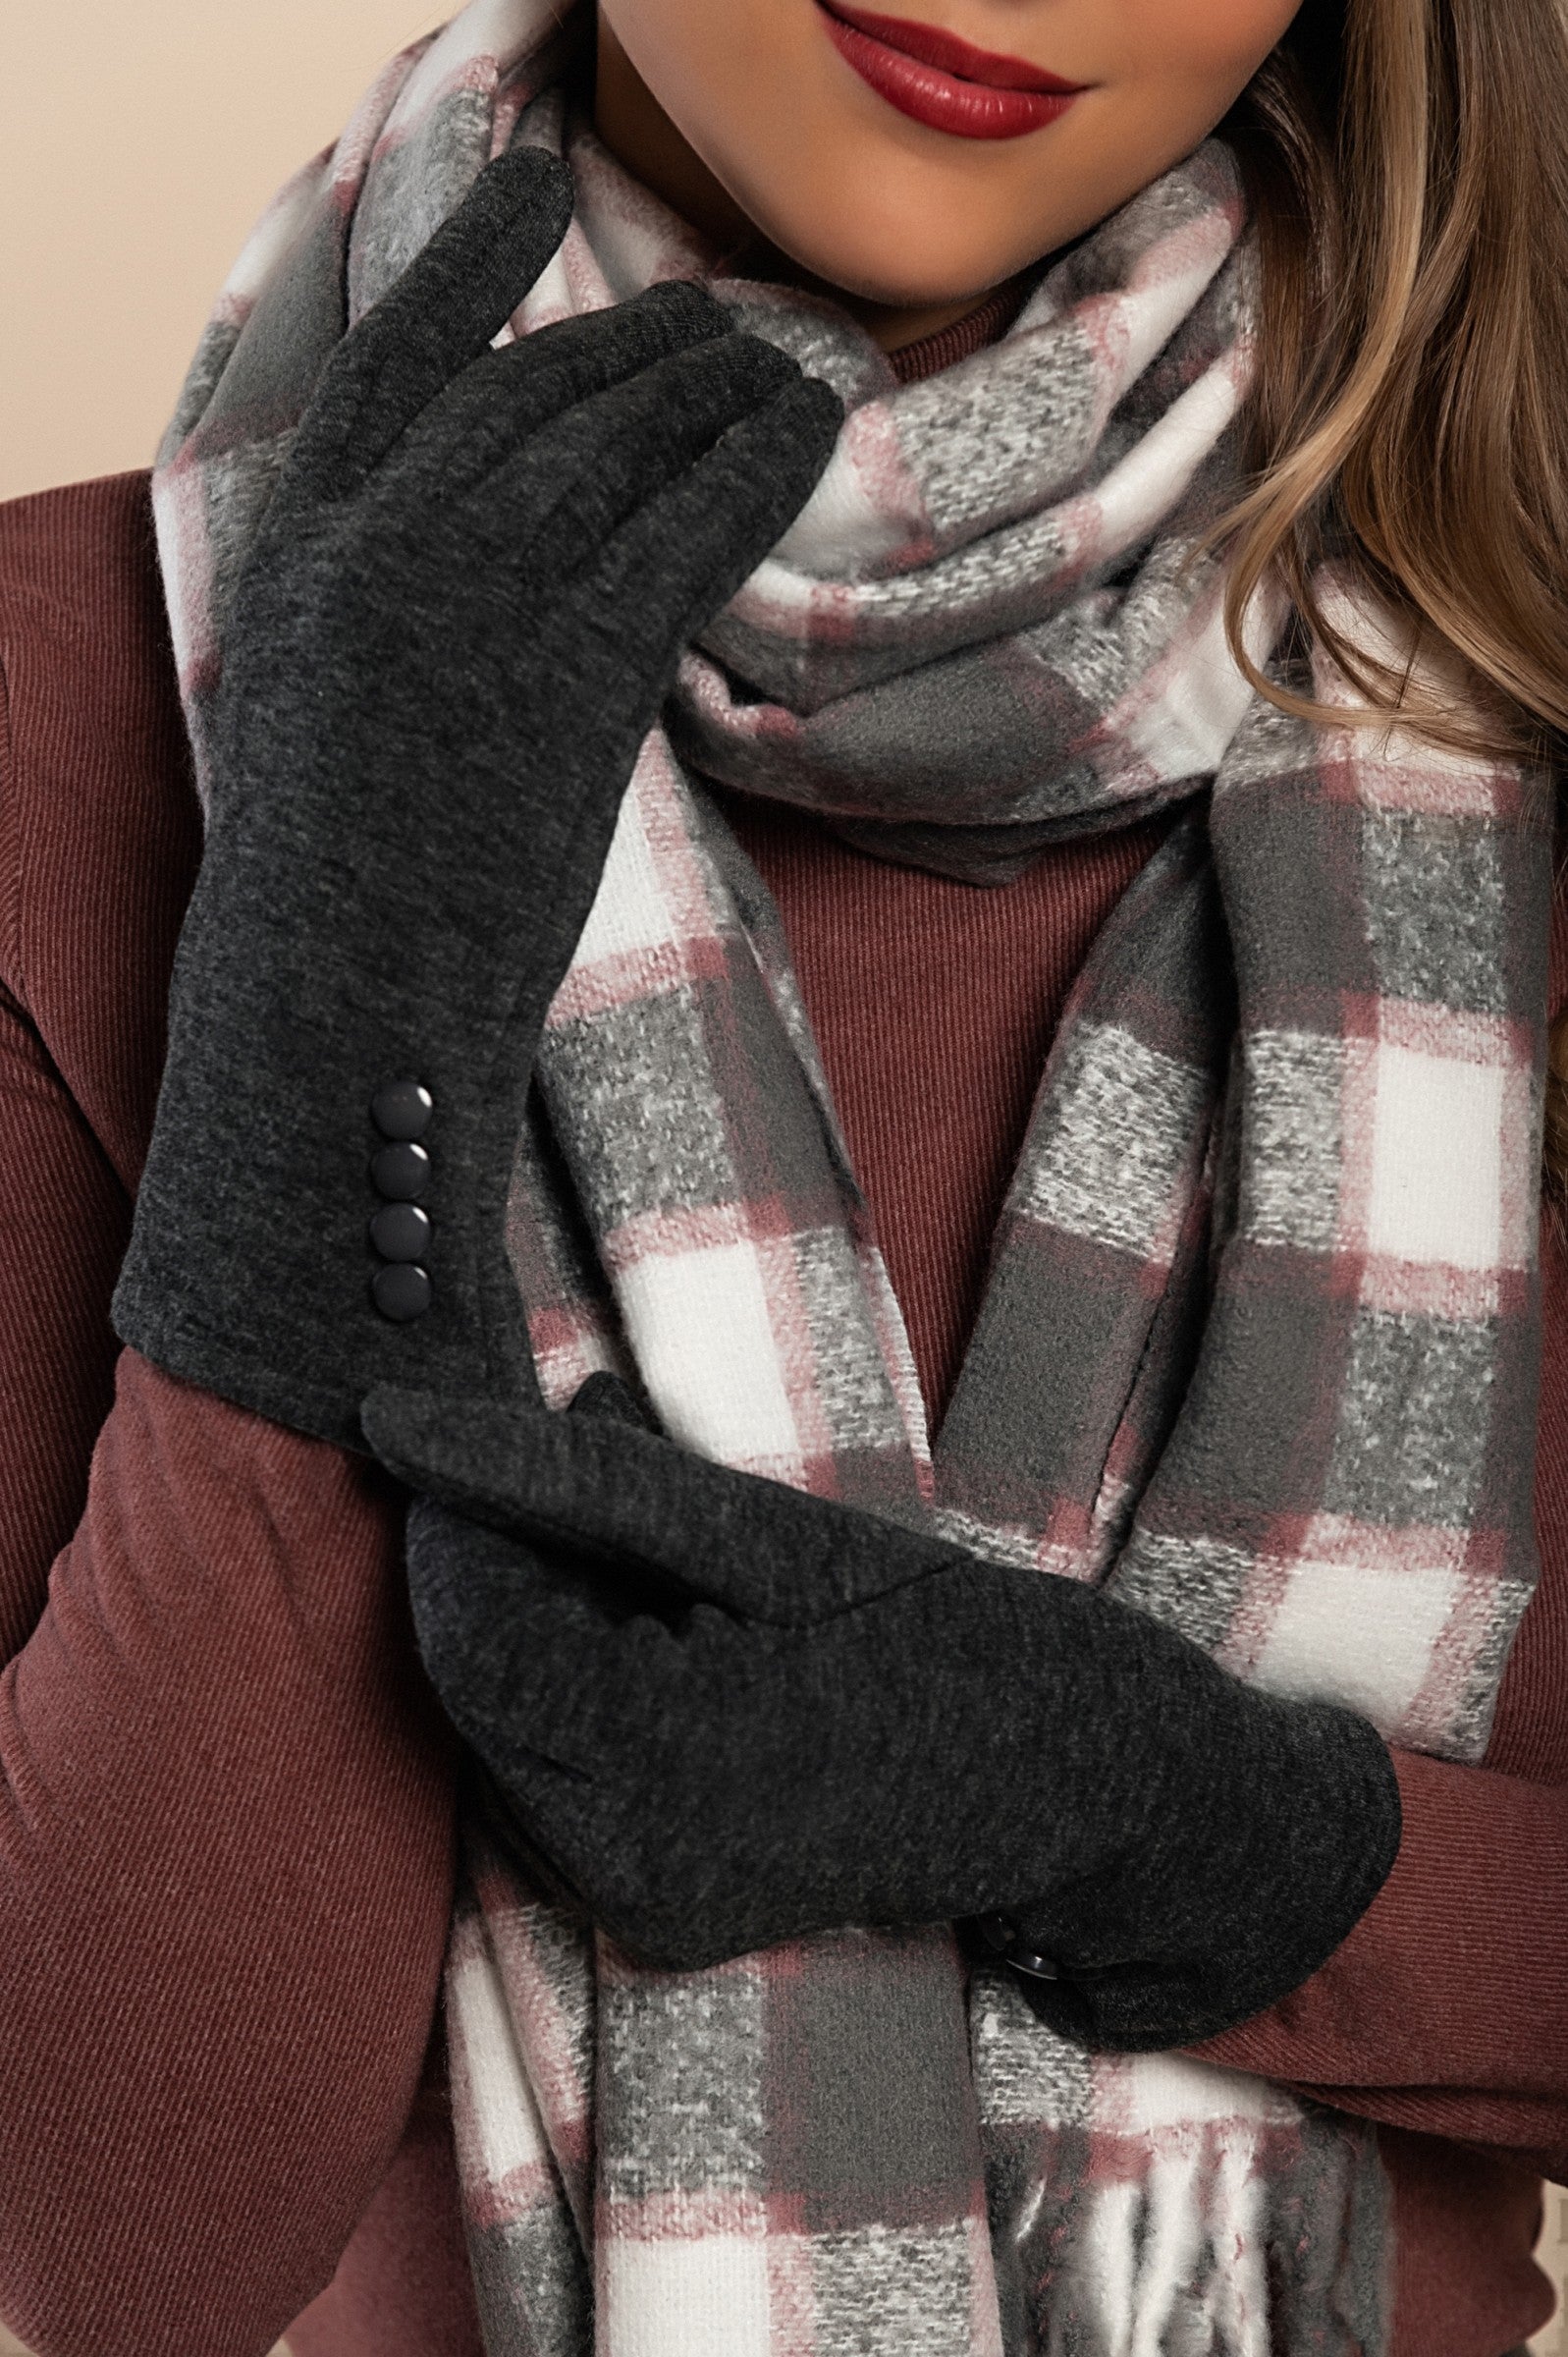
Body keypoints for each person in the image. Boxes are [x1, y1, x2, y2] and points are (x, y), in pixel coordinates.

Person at [0, 0, 1565, 2351]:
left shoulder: (1515, 686)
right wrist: (325, 1042)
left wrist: (1183, 1830)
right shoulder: (69, 698)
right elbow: (109, 2237)